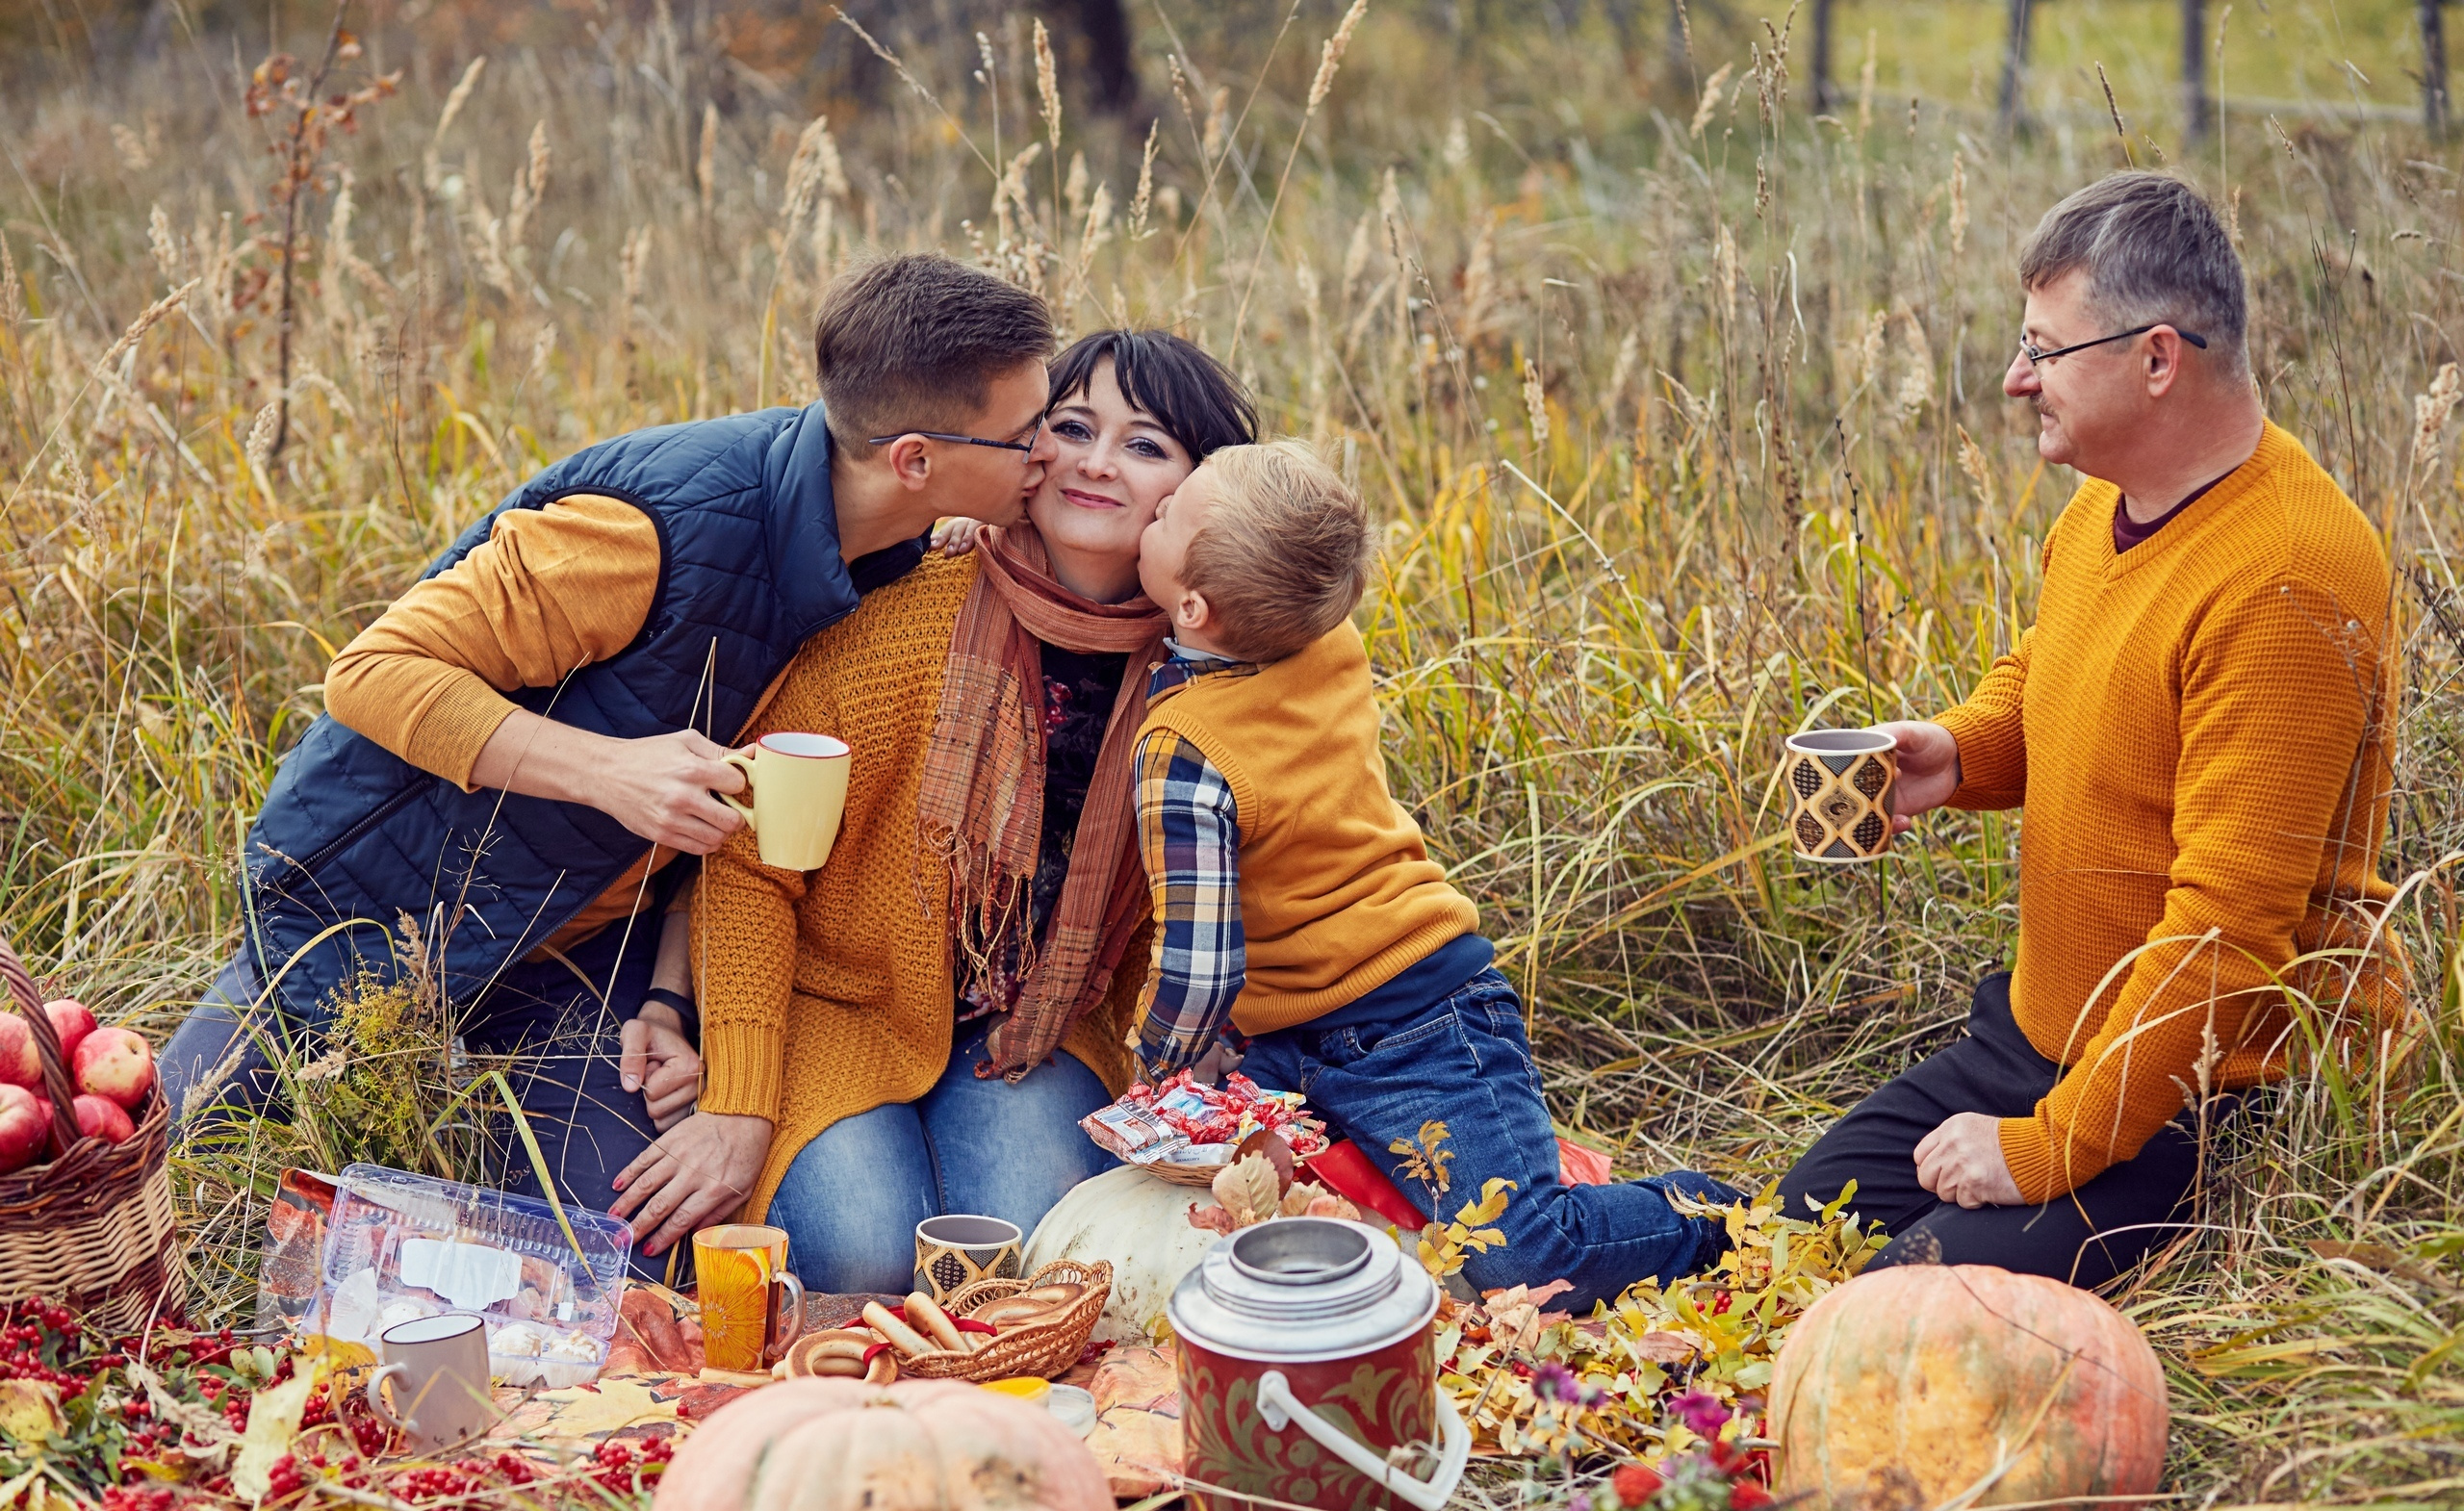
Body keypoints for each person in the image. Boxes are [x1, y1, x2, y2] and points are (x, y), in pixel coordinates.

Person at [162, 256, 1060, 1270]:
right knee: (162, 1175)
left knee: (627, 1254)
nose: (1052, 452)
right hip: (368, 909)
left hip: (577, 954)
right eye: (1028, 435)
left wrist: (668, 1000)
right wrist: (609, 772)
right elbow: (371, 672)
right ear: (913, 458)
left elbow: (726, 827)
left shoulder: (889, 552)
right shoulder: (647, 534)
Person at [1778, 172, 2400, 1287]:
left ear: (2156, 359)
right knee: (1792, 1228)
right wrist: (1958, 752)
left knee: (1910, 1298)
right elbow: (2056, 676)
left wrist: (2043, 1150)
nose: (2016, 379)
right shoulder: (2105, 502)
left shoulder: (2285, 579)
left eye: (2044, 349)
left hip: (2209, 1091)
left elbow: (2223, 942)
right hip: (2042, 1039)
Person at [612, 331, 1259, 1290]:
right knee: (859, 1253)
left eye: (1143, 444)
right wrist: (738, 1102)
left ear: (1198, 490)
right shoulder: (907, 616)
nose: (1094, 462)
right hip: (841, 1003)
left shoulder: (1203, 667)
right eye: (1072, 427)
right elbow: (749, 864)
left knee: (1021, 1256)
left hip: (1044, 1022)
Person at [1127, 440, 1739, 1311]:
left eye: (1167, 513)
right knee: (1243, 1218)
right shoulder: (1320, 633)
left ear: (1192, 605)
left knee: (1524, 1257)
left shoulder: (1185, 752)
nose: (1153, 505)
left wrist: (1152, 1071)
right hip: (1291, 1043)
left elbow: (1201, 968)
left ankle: (1711, 1215)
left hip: (1419, 1023)